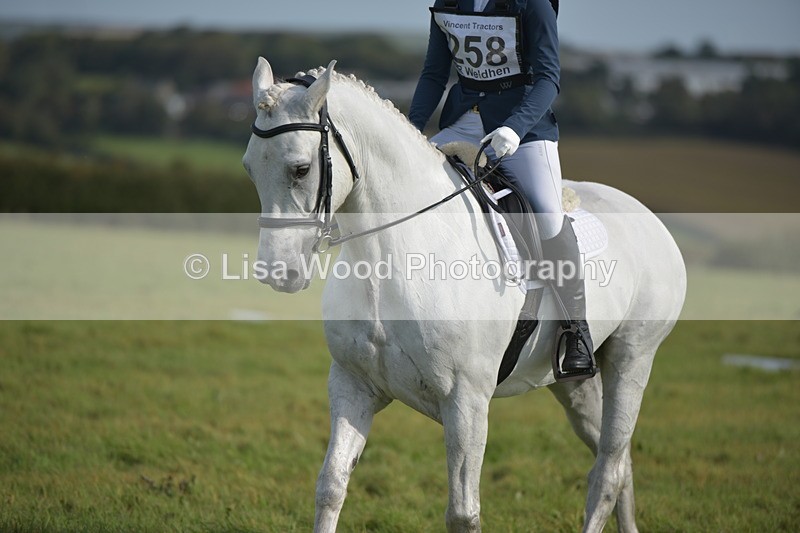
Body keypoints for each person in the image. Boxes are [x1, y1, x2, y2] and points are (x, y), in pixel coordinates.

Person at [408, 0, 595, 379]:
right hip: (462, 121)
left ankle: (576, 331)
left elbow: (548, 78)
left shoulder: (533, 4)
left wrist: (515, 127)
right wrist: (409, 129)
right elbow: (433, 75)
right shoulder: (449, 3)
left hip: (521, 126)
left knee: (546, 214)